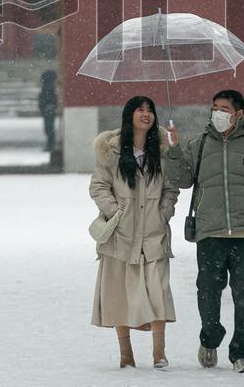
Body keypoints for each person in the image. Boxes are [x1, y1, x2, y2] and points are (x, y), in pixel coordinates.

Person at [165, 89, 244, 374]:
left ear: (239, 114)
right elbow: (182, 179)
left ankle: (241, 354)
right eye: (214, 108)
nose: (217, 113)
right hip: (210, 233)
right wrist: (174, 149)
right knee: (207, 292)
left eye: (224, 109)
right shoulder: (200, 144)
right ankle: (210, 337)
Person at [90, 96, 179, 369]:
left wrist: (163, 212)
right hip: (121, 235)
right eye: (140, 110)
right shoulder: (111, 151)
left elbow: (171, 188)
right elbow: (98, 187)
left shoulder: (162, 151)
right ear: (129, 115)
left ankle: (159, 352)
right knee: (119, 293)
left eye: (150, 110)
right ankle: (126, 354)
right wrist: (115, 212)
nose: (146, 114)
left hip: (154, 233)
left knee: (158, 291)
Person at [38, 70, 58, 152]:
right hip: (49, 109)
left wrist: (44, 107)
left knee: (49, 128)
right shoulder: (50, 86)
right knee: (49, 128)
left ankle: (50, 144)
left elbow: (46, 98)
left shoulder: (48, 87)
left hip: (48, 109)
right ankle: (51, 144)